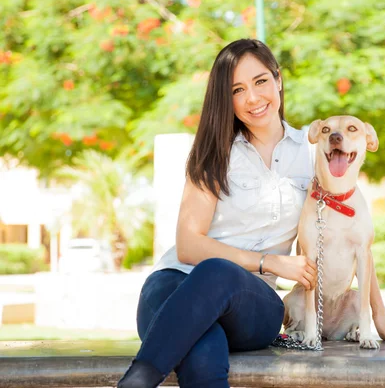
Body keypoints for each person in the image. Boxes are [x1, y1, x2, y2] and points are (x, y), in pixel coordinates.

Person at [117, 38, 318, 388]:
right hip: (172, 286)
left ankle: (135, 383)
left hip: (253, 304)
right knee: (202, 349)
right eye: (237, 90)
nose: (253, 98)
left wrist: (373, 314)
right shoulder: (215, 151)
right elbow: (188, 247)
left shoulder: (312, 152)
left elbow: (347, 228)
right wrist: (269, 260)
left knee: (218, 273)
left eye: (260, 82)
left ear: (278, 79)